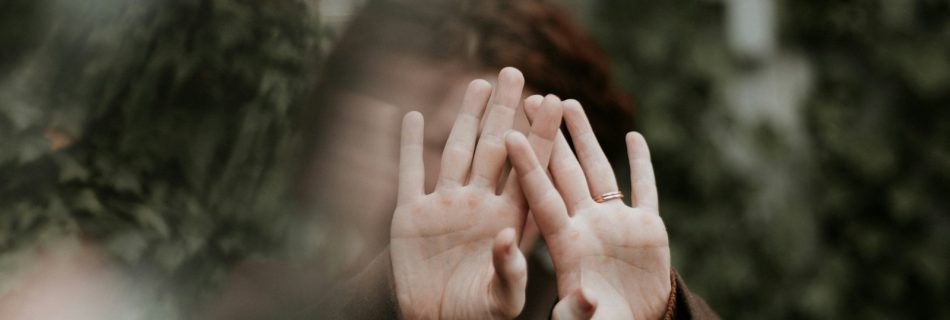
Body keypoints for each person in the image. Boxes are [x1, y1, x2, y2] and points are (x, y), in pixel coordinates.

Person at [208, 0, 717, 319]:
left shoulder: (589, 308)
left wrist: (663, 316)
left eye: (514, 161)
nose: (476, 189)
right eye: (443, 144)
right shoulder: (268, 299)